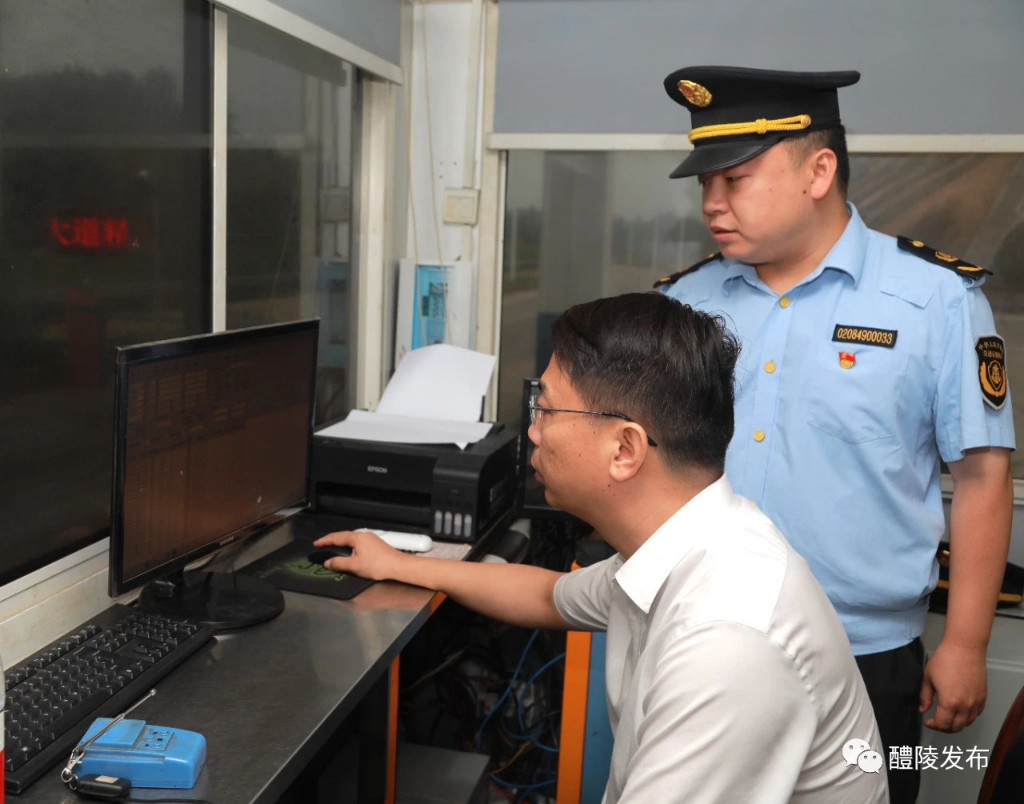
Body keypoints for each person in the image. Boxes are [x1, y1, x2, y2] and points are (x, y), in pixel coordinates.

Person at [315, 292, 888, 803]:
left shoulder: (728, 636)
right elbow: (547, 595)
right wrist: (399, 564)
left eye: (547, 408)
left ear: (625, 449)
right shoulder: (685, 544)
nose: (533, 429)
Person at [656, 65, 1015, 803]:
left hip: (867, 656)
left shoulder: (936, 301)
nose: (712, 205)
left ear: (819, 170)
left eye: (736, 178)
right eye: (704, 184)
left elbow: (981, 476)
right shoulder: (683, 304)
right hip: (703, 638)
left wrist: (966, 642)